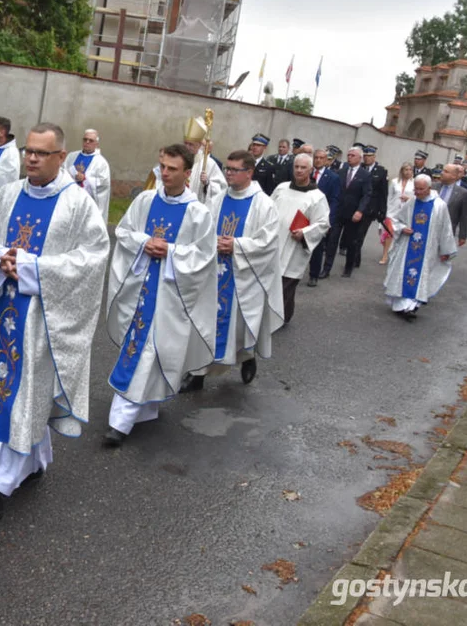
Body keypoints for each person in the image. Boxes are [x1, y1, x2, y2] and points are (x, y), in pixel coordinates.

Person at [0, 122, 109, 524]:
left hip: (42, 318)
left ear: (61, 158)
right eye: (29, 152)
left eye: (42, 153)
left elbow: (92, 257)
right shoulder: (8, 193)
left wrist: (33, 266)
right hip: (3, 306)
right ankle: (37, 458)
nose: (32, 159)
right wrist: (1, 254)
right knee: (18, 393)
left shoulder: (77, 203)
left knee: (23, 394)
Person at [103, 143, 215, 446]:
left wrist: (171, 251)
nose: (164, 173)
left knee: (151, 352)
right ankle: (132, 415)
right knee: (141, 351)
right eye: (162, 166)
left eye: (172, 169)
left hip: (170, 295)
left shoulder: (197, 213)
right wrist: (144, 243)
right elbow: (124, 231)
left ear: (188, 173)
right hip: (140, 289)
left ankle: (125, 418)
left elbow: (204, 256)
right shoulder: (145, 199)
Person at [184, 149, 283, 390]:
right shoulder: (218, 199)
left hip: (243, 277)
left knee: (238, 328)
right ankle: (198, 374)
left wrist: (236, 245)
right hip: (214, 272)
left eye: (233, 170)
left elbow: (268, 243)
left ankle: (247, 357)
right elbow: (205, 228)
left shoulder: (264, 204)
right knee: (205, 322)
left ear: (249, 172)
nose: (227, 173)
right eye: (227, 168)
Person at [383, 174, 457, 321]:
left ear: (429, 188)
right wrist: (403, 228)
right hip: (407, 247)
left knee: (420, 278)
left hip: (427, 250)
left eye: (421, 189)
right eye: (416, 189)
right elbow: (396, 220)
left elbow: (446, 230)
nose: (417, 192)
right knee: (402, 275)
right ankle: (401, 306)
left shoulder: (439, 205)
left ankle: (410, 307)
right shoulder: (412, 202)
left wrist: (446, 251)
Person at [270, 153, 330, 323]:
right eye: (296, 166)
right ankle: (270, 315)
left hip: (294, 246)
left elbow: (323, 223)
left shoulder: (317, 197)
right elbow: (268, 208)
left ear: (311, 170)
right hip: (275, 241)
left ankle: (282, 317)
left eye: (303, 167)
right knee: (270, 280)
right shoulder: (281, 188)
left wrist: (305, 233)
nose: (299, 170)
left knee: (286, 285)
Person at [144, 115, 227, 203]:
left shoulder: (208, 164)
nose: (187, 147)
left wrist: (207, 183)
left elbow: (221, 188)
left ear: (199, 145)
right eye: (186, 143)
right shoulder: (177, 159)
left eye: (191, 144)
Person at [321, 145, 372, 279]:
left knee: (351, 242)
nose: (349, 157)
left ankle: (348, 268)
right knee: (332, 240)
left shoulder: (365, 175)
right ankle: (326, 269)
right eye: (348, 155)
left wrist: (360, 211)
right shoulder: (341, 172)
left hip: (354, 214)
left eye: (352, 155)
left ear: (360, 158)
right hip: (339, 212)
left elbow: (367, 195)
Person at [307, 148, 340, 287]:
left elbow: (334, 200)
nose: (319, 160)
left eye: (322, 158)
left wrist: (328, 221)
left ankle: (313, 274)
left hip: (320, 216)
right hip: (304, 213)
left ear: (326, 160)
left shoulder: (333, 177)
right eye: (316, 157)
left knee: (317, 247)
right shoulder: (306, 173)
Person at [64, 128, 112, 223]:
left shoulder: (101, 162)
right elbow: (63, 172)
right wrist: (71, 176)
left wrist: (85, 179)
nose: (87, 142)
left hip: (87, 202)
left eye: (91, 140)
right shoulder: (72, 156)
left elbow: (104, 184)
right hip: (70, 198)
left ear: (96, 144)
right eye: (85, 139)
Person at [351, 144, 388, 269]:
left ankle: (355, 259)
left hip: (370, 209)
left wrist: (382, 211)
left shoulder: (381, 171)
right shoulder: (359, 169)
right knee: (353, 234)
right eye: (365, 156)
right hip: (357, 206)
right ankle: (354, 257)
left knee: (360, 235)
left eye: (369, 156)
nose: (367, 158)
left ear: (374, 157)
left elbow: (383, 193)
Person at [382, 162, 415, 265]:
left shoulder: (415, 183)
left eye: (410, 170)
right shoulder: (395, 182)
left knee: (401, 235)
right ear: (402, 171)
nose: (408, 172)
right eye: (406, 170)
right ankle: (385, 255)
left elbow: (417, 198)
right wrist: (386, 212)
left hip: (406, 213)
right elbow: (389, 197)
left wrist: (408, 198)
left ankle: (397, 255)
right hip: (392, 212)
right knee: (389, 234)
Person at [437, 164, 467, 247]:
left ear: (454, 176)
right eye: (442, 170)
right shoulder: (433, 187)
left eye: (446, 172)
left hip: (447, 231)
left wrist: (462, 236)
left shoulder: (462, 193)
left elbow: (463, 216)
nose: (442, 173)